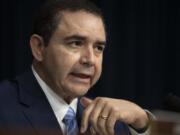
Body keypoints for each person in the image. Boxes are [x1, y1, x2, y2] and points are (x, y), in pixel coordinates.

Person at [0, 0, 152, 135]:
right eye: (76, 43)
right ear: (39, 47)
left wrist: (142, 122)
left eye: (98, 47)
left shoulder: (112, 121)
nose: (90, 60)